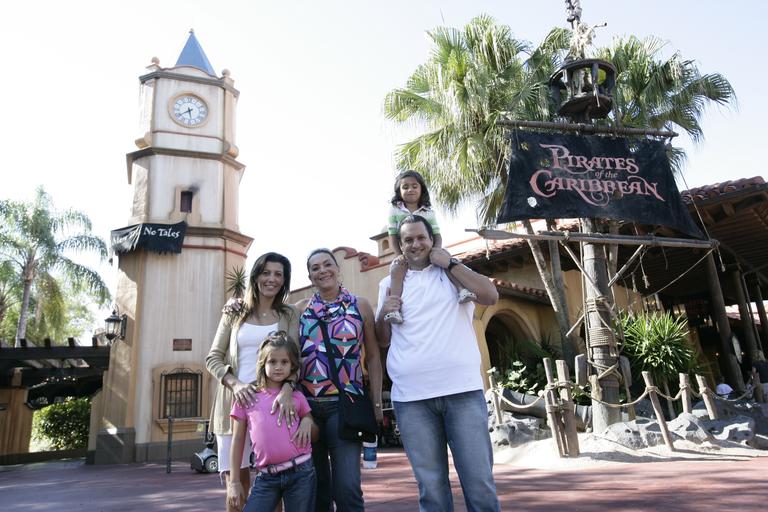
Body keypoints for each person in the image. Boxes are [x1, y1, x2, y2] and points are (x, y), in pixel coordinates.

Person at [375, 215, 501, 512]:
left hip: (463, 393)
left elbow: (490, 295)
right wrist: (384, 312)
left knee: (479, 483)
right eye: (408, 240)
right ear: (400, 245)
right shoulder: (388, 284)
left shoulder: (454, 274)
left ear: (432, 239)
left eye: (421, 237)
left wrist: (452, 263)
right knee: (431, 489)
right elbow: (382, 339)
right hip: (412, 399)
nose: (415, 244)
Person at [206, 252, 300, 512]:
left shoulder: (290, 314)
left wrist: (288, 390)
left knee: (275, 483)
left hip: (273, 407)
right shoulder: (234, 312)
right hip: (233, 405)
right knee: (236, 487)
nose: (272, 279)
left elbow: (295, 361)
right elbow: (212, 357)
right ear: (256, 276)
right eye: (266, 272)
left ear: (284, 281)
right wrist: (235, 384)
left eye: (278, 274)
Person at [296, 248, 384, 512]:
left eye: (327, 264)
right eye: (315, 268)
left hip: (344, 407)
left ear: (338, 269)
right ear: (310, 276)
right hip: (307, 411)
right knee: (318, 489)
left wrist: (377, 403)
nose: (322, 271)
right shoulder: (299, 311)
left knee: (347, 489)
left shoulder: (360, 305)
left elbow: (373, 358)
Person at [228, 332, 317, 512]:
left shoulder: (297, 396)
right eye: (272, 361)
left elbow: (314, 432)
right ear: (262, 363)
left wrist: (308, 421)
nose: (278, 367)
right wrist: (234, 482)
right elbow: (237, 441)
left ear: (292, 366)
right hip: (267, 477)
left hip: (301, 472)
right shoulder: (247, 399)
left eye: (284, 362)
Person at [384, 170, 475, 325]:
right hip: (408, 253)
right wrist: (399, 254)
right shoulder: (395, 210)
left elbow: (436, 234)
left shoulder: (428, 212)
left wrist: (436, 250)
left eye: (414, 186)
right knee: (396, 270)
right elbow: (393, 235)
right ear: (399, 191)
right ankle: (394, 310)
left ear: (421, 190)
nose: (410, 190)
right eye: (405, 187)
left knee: (446, 261)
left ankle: (461, 289)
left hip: (429, 248)